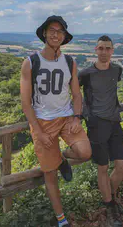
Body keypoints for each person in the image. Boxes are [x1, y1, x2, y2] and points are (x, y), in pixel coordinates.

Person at [20, 15, 92, 227]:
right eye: (51, 30)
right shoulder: (31, 62)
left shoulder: (70, 62)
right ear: (44, 33)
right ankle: (62, 220)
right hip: (43, 122)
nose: (55, 34)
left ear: (64, 36)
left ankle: (61, 158)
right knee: (50, 174)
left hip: (67, 117)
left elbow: (77, 95)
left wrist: (77, 117)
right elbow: (26, 103)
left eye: (59, 31)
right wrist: (38, 132)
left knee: (85, 152)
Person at [78, 35, 123, 227]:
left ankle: (111, 197)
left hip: (115, 122)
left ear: (112, 51)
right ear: (95, 50)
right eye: (101, 48)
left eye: (108, 48)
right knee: (103, 167)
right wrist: (82, 114)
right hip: (96, 124)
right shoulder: (86, 73)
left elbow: (112, 92)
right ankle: (109, 206)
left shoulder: (117, 69)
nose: (104, 52)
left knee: (121, 165)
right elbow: (74, 93)